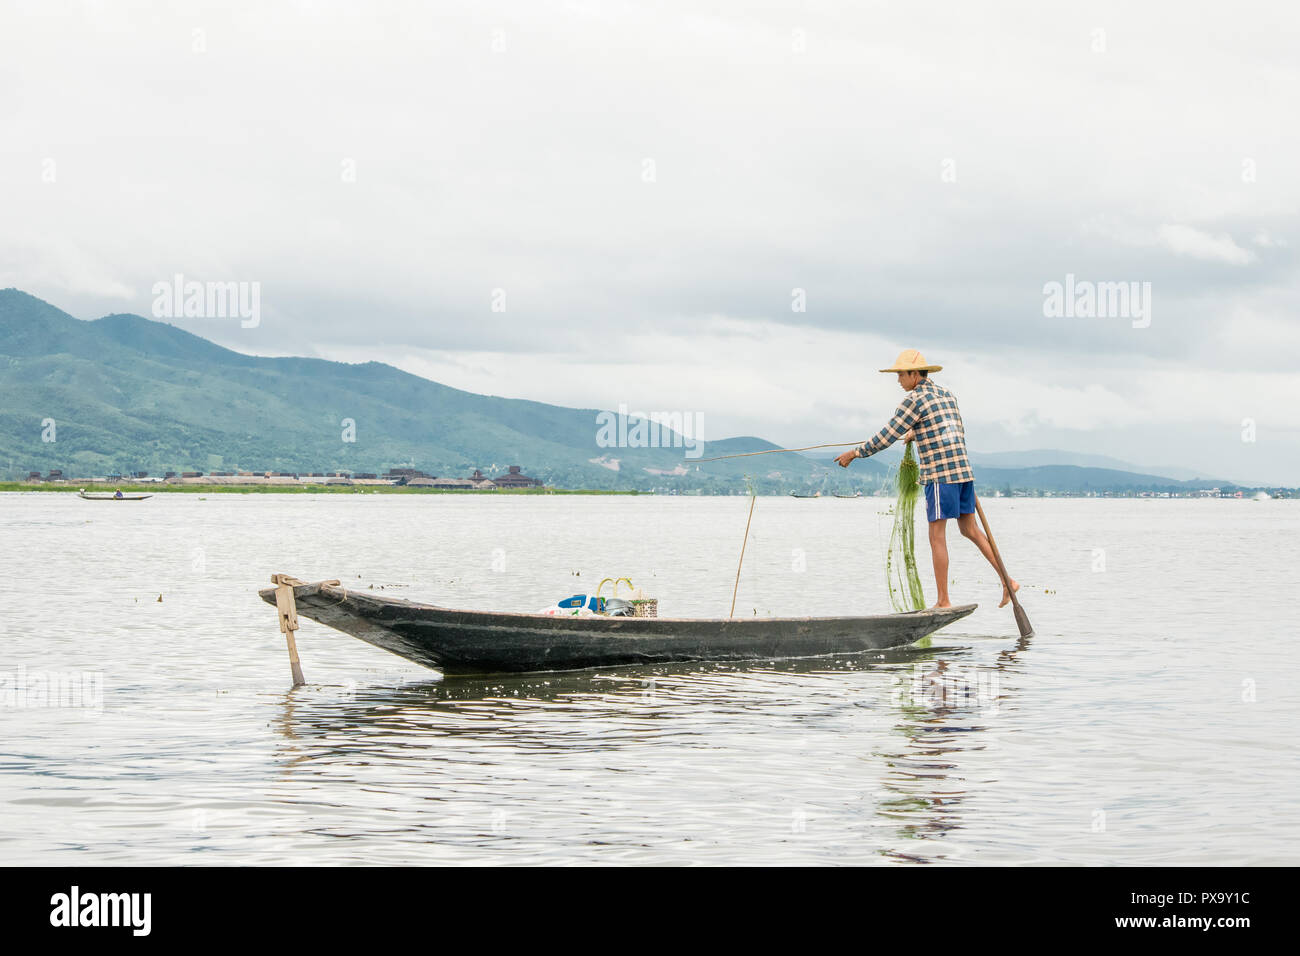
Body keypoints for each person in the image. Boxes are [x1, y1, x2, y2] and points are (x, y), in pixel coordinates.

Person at [836, 349, 1018, 609]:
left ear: (915, 374)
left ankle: (943, 600)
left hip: (940, 476)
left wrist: (855, 453)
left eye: (901, 374)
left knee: (936, 536)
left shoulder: (914, 401)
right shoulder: (947, 395)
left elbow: (887, 436)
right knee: (970, 530)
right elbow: (944, 426)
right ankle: (1007, 580)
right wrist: (915, 431)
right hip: (963, 471)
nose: (898, 379)